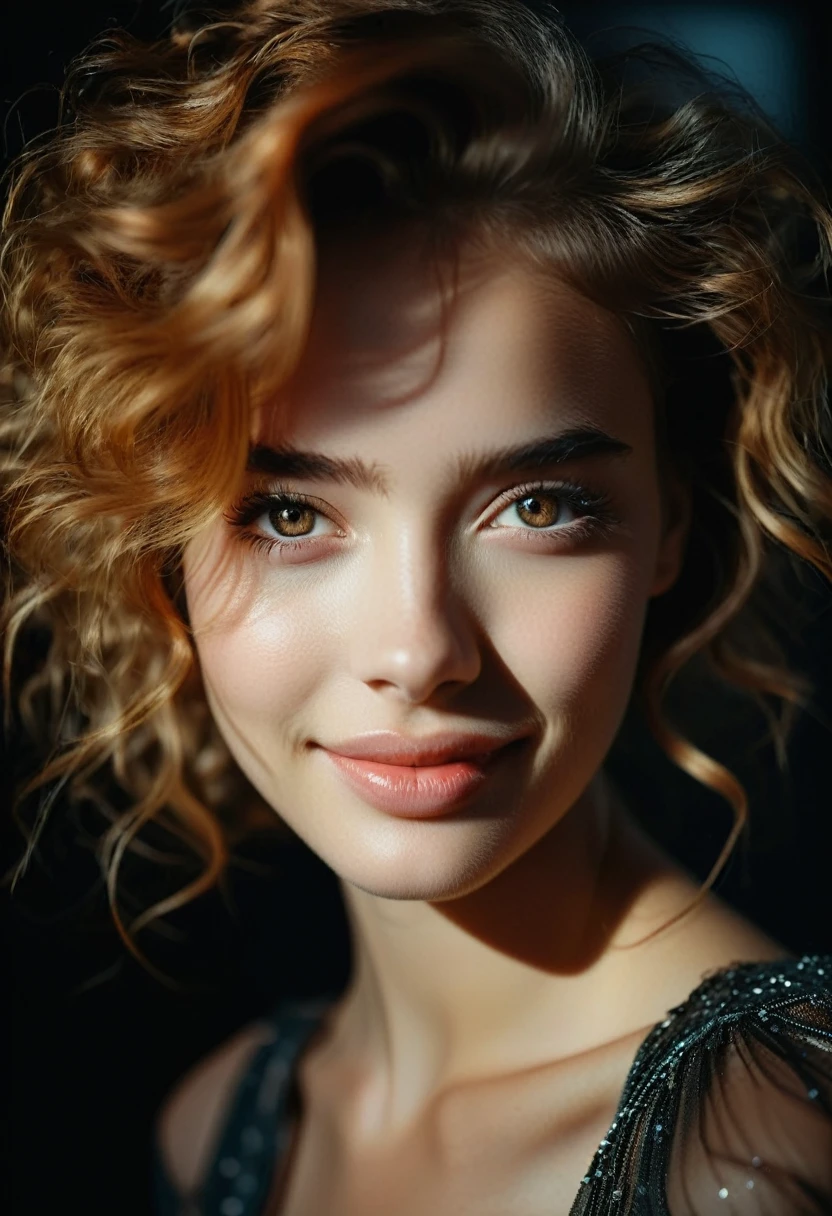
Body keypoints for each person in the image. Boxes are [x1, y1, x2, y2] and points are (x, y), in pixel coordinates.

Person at [2, 0, 832, 1211]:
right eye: (290, 515)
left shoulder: (767, 1149)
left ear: (670, 530)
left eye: (539, 506)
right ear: (158, 550)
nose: (419, 650)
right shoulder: (223, 1126)